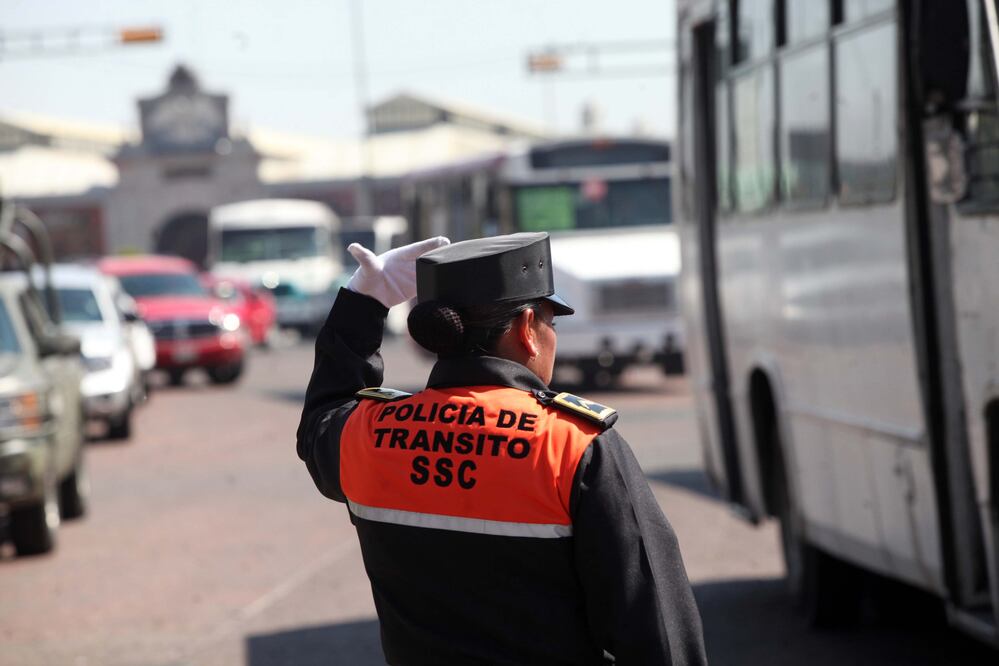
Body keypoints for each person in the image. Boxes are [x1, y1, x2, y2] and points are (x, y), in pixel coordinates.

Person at [297, 232, 707, 665]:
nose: (552, 335)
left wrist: (364, 301)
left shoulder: (368, 433)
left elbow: (320, 422)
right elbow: (655, 626)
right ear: (527, 328)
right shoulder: (571, 443)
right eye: (552, 321)